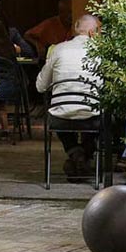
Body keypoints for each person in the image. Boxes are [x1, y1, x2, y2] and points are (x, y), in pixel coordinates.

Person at [37, 12, 101, 178]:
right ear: (94, 33)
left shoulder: (58, 50)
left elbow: (40, 86)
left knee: (59, 112)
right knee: (105, 119)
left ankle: (75, 154)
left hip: (61, 117)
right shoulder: (101, 53)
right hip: (92, 117)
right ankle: (85, 154)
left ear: (75, 29)